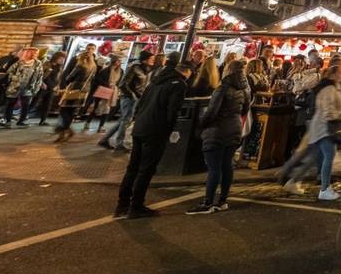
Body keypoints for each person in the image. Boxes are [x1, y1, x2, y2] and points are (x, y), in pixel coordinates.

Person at [116, 60, 193, 218]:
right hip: (156, 129)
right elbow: (173, 109)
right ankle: (136, 205)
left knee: (133, 167)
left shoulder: (155, 81)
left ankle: (122, 204)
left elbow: (140, 104)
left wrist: (137, 120)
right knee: (146, 168)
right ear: (187, 71)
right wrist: (170, 130)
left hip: (141, 126)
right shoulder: (179, 84)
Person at [186, 59, 251, 215]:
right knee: (227, 166)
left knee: (214, 168)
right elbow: (245, 110)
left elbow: (212, 112)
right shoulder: (245, 89)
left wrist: (201, 125)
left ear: (228, 70)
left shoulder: (223, 88)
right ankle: (222, 201)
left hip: (218, 130)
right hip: (234, 128)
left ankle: (208, 202)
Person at [282, 65, 341, 200]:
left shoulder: (332, 86)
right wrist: (336, 119)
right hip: (325, 128)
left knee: (313, 157)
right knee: (328, 156)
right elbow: (327, 109)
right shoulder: (329, 88)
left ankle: (293, 181)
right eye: (340, 72)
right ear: (333, 74)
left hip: (321, 126)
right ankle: (324, 189)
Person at [101, 51, 153, 150]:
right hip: (128, 98)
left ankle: (104, 139)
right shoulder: (134, 68)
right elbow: (123, 84)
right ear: (145, 59)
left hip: (137, 98)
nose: (153, 61)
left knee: (123, 120)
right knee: (126, 121)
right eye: (151, 59)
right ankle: (119, 143)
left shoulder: (146, 69)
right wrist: (132, 96)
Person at [54, 49, 97, 143]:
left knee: (64, 110)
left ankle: (65, 130)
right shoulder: (94, 67)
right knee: (71, 111)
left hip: (73, 90)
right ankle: (66, 130)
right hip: (84, 92)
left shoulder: (80, 66)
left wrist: (66, 82)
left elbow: (69, 78)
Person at [2, 49, 44, 126]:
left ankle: (21, 121)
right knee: (11, 103)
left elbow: (40, 76)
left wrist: (37, 87)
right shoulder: (19, 62)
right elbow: (9, 72)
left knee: (26, 104)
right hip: (15, 86)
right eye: (30, 52)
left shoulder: (38, 63)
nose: (33, 54)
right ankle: (7, 120)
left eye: (35, 53)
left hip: (28, 87)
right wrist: (15, 78)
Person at [85, 55, 123, 132]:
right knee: (97, 107)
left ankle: (101, 126)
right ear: (113, 61)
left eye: (120, 61)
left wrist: (116, 88)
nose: (119, 62)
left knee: (107, 109)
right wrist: (107, 84)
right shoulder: (106, 69)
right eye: (118, 61)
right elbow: (98, 79)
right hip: (103, 90)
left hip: (113, 91)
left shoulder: (121, 71)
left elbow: (119, 81)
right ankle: (87, 122)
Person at [31, 51, 66, 126]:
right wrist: (41, 83)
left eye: (63, 59)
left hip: (52, 88)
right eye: (61, 58)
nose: (62, 60)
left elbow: (58, 79)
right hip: (43, 87)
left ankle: (43, 120)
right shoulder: (47, 64)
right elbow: (39, 74)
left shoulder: (60, 68)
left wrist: (57, 86)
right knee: (35, 101)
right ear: (56, 58)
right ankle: (23, 116)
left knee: (47, 104)